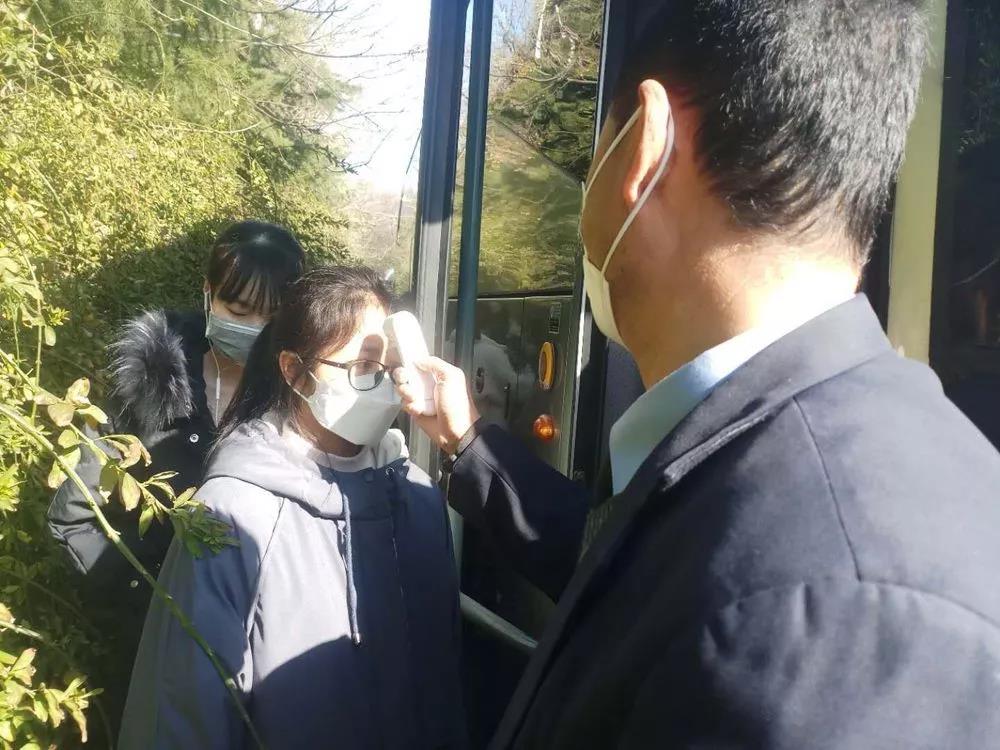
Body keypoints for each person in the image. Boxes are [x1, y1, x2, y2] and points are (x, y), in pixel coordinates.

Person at [396, 2, 1000, 748]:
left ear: (643, 149)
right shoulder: (810, 464)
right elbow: (632, 574)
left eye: (592, 154)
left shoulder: (828, 620)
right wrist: (466, 440)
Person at [119, 267, 464, 749]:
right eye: (362, 367)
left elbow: (445, 684)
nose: (385, 386)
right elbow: (181, 712)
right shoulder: (233, 513)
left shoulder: (419, 500)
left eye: (391, 369)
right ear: (294, 370)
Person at [46, 219, 305, 729]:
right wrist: (149, 603)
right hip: (151, 658)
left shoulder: (298, 401)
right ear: (208, 294)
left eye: (272, 315)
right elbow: (74, 517)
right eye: (239, 310)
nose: (255, 328)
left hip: (265, 665)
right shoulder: (148, 388)